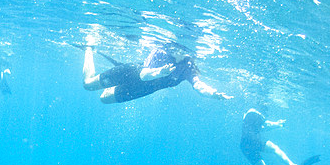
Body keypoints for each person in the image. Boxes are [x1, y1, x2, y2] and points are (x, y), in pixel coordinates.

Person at [83, 45, 233, 103]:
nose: (179, 52)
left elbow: (198, 85)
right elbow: (143, 75)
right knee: (88, 85)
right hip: (131, 73)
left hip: (143, 89)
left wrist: (212, 93)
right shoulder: (162, 52)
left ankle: (110, 84)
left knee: (104, 99)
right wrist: (159, 72)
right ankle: (88, 48)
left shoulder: (187, 67)